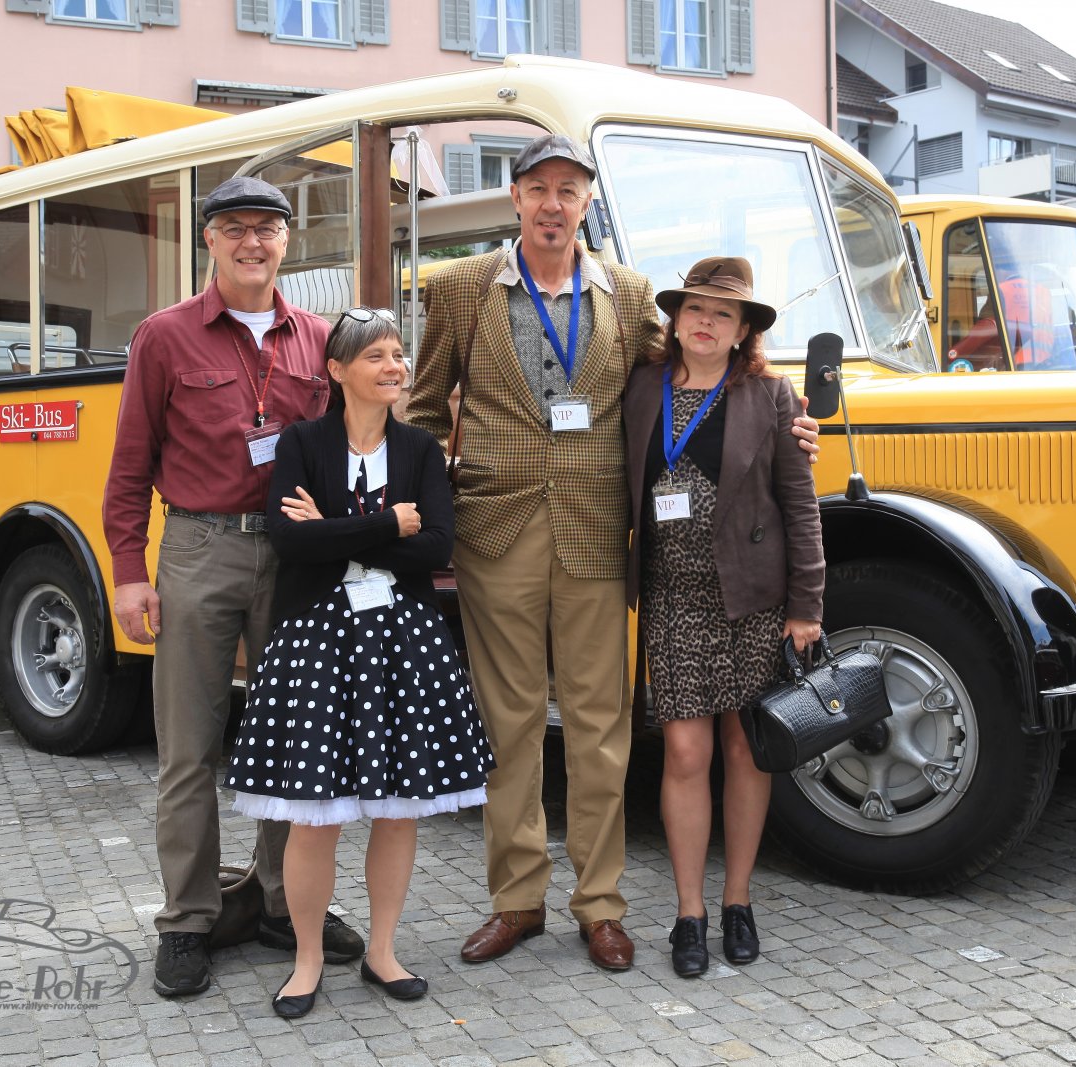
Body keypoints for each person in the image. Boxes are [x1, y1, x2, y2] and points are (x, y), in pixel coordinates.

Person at [407, 133, 822, 973]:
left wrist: (788, 421)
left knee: (600, 727)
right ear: (515, 198)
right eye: (538, 188)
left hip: (598, 533)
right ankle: (516, 899)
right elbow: (422, 407)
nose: (553, 204)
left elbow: (689, 376)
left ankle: (600, 904)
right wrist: (434, 503)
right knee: (509, 723)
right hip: (495, 532)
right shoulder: (458, 288)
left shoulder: (628, 294)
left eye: (569, 190)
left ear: (587, 202)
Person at [102, 176, 364, 998]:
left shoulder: (318, 338)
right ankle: (188, 918)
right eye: (236, 228)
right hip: (200, 547)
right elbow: (129, 465)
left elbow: (355, 442)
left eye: (268, 228)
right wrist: (129, 573)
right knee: (189, 747)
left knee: (294, 739)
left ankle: (285, 904)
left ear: (287, 240)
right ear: (209, 239)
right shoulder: (164, 336)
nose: (254, 241)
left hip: (295, 557)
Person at [226, 308, 492, 1019]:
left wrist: (336, 529)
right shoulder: (302, 442)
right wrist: (385, 523)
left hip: (403, 639)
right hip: (316, 639)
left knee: (398, 811)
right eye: (376, 355)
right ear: (337, 369)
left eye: (398, 354)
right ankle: (308, 959)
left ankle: (382, 951)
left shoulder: (421, 449)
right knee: (316, 814)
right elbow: (290, 541)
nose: (394, 367)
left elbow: (435, 547)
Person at [624, 256, 824, 978]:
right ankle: (689, 912)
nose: (706, 322)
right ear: (676, 320)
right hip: (672, 599)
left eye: (723, 313)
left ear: (743, 331)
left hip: (752, 600)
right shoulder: (640, 386)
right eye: (695, 309)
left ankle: (737, 900)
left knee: (744, 750)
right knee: (685, 753)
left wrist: (806, 607)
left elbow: (800, 505)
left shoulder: (770, 394)